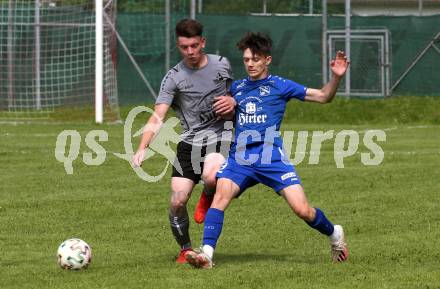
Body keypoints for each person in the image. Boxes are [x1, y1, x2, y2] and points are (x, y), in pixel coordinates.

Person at [185, 32, 350, 269]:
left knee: (302, 210)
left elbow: (324, 97)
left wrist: (336, 77)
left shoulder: (281, 85)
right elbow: (221, 109)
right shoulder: (238, 88)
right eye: (246, 60)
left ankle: (334, 234)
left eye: (255, 59)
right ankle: (207, 255)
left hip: (271, 157)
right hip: (240, 157)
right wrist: (229, 104)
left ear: (267, 60)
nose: (250, 64)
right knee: (219, 200)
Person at [131, 18, 236, 264]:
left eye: (194, 46)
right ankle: (185, 249)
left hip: (220, 138)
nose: (189, 52)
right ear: (178, 46)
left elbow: (233, 96)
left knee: (211, 176)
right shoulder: (174, 77)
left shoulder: (222, 65)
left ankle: (208, 195)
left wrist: (231, 105)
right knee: (177, 200)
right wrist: (142, 147)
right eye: (183, 47)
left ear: (203, 42)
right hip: (189, 145)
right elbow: (158, 116)